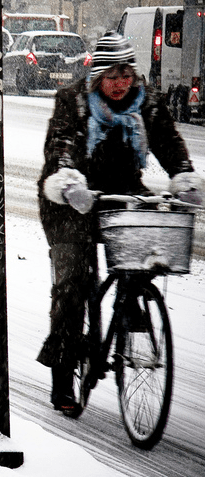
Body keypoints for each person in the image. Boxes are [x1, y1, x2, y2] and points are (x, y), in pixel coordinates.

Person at [36, 31, 204, 413]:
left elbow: (169, 142)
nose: (119, 84)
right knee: (72, 285)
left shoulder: (149, 103)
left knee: (140, 263)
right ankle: (63, 376)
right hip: (70, 199)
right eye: (111, 76)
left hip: (121, 194)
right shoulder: (74, 102)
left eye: (126, 75)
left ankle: (133, 310)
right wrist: (68, 180)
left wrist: (183, 176)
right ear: (96, 75)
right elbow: (61, 145)